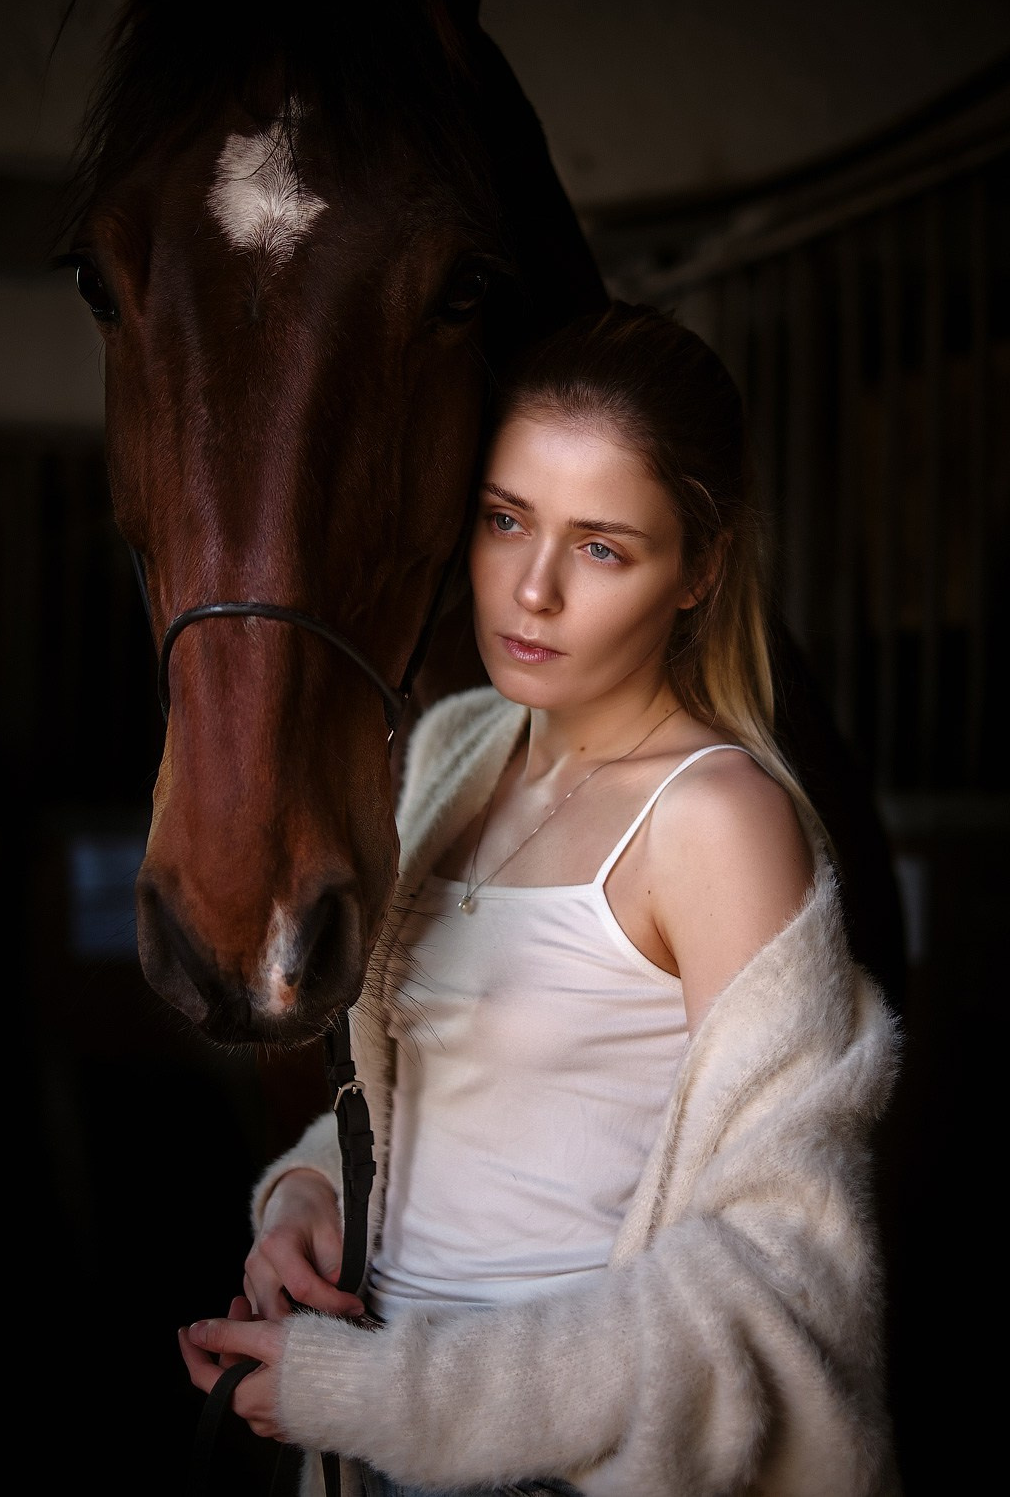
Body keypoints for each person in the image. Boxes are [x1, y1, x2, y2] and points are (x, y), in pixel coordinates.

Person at [180, 302, 902, 1496]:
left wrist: (369, 1392)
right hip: (369, 1456)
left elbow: (777, 1281)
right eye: (506, 520)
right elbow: (440, 1097)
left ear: (700, 572)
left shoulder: (715, 818)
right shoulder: (459, 747)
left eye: (604, 547)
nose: (533, 590)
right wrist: (311, 1191)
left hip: (577, 1468)